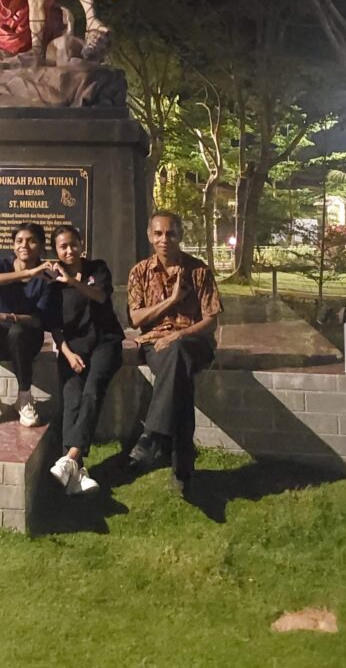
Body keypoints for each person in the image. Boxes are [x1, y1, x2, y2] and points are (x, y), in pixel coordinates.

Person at [126, 210, 222, 492]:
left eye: (170, 233)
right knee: (181, 379)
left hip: (194, 342)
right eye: (158, 233)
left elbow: (211, 321)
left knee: (179, 353)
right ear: (149, 236)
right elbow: (136, 319)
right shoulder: (139, 272)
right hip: (155, 344)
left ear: (180, 235)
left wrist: (180, 334)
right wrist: (172, 300)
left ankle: (152, 435)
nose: (164, 239)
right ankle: (183, 468)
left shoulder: (200, 271)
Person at [48, 225, 124, 495]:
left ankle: (70, 458)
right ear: (56, 251)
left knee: (92, 392)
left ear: (82, 245)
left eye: (73, 244)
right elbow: (54, 326)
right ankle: (75, 472)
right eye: (63, 247)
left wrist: (73, 281)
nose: (69, 250)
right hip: (73, 349)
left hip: (105, 342)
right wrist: (68, 354)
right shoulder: (52, 284)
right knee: (72, 399)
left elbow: (100, 295)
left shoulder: (97, 269)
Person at [0, 222, 59, 428]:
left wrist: (7, 316)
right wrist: (27, 274)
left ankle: (25, 397)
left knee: (18, 332)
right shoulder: (1, 264)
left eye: (31, 241)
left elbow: (38, 320)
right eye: (19, 241)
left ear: (41, 246)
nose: (24, 246)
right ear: (13, 245)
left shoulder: (47, 277)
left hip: (26, 341)